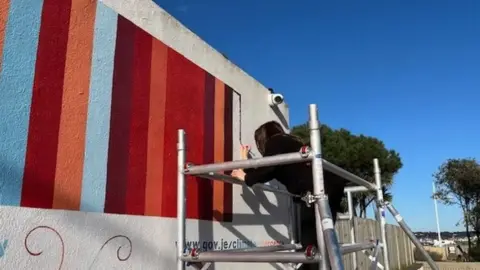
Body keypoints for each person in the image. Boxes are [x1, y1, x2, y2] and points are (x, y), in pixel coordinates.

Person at [231, 121, 347, 270]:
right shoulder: (290, 142)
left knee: (310, 247)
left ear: (263, 137)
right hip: (330, 187)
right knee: (321, 243)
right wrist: (246, 165)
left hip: (316, 190)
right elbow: (270, 168)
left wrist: (246, 177)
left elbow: (269, 168)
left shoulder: (275, 141)